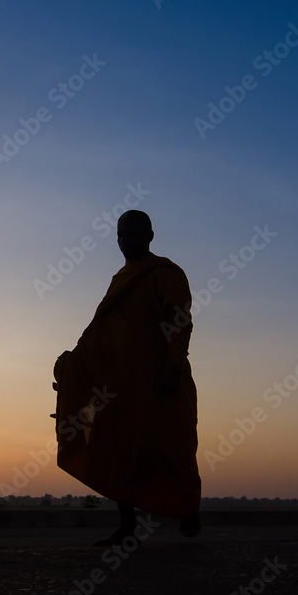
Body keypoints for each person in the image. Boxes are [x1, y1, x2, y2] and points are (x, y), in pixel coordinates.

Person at [53, 209, 201, 545]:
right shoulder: (121, 279)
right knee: (116, 448)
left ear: (150, 235)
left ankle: (188, 509)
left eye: (132, 232)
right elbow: (103, 334)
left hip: (161, 380)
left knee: (171, 448)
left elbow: (179, 322)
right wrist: (74, 366)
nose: (125, 239)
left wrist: (174, 369)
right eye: (120, 234)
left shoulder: (165, 273)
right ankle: (127, 526)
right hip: (119, 386)